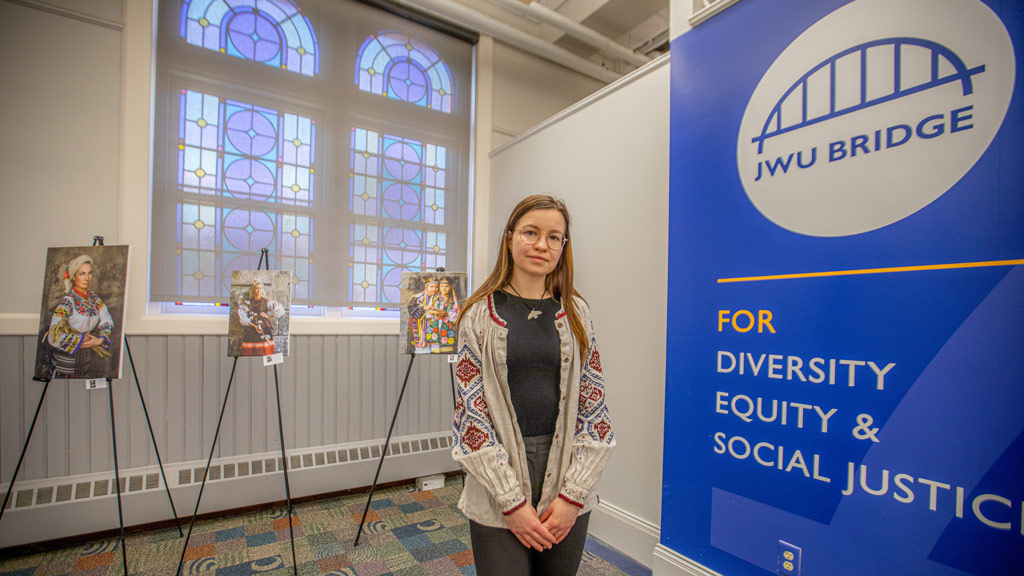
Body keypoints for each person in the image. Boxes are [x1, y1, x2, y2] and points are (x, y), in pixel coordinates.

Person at [451, 195, 614, 576]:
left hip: (566, 474)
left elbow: (596, 414)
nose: (542, 244)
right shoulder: (477, 316)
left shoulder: (576, 312)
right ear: (509, 238)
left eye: (554, 237)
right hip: (498, 475)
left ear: (563, 247)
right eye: (531, 232)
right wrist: (512, 503)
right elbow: (471, 422)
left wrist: (573, 496)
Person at [44, 255, 114, 378]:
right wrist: (81, 339)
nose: (87, 278)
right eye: (82, 274)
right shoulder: (67, 302)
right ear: (73, 276)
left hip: (86, 365)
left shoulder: (95, 300)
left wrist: (100, 340)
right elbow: (53, 336)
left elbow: (107, 319)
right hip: (65, 367)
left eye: (89, 273)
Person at [238, 280, 285, 356]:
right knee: (251, 350)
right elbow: (242, 317)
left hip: (264, 328)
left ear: (263, 289)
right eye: (257, 288)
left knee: (265, 350)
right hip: (251, 329)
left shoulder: (267, 302)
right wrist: (254, 326)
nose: (258, 290)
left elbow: (280, 310)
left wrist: (269, 316)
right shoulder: (248, 303)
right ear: (253, 289)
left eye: (260, 288)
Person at [407, 277, 439, 353]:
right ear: (426, 287)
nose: (434, 289)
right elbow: (411, 310)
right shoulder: (418, 297)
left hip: (432, 324)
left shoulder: (438, 298)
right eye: (431, 287)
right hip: (419, 325)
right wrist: (424, 308)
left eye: (436, 287)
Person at [428, 277, 460, 354]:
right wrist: (434, 312)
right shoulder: (434, 298)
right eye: (442, 286)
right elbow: (428, 312)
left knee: (447, 350)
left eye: (446, 286)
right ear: (439, 287)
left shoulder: (452, 300)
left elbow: (457, 314)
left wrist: (446, 314)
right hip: (435, 328)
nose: (444, 289)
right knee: (434, 350)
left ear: (451, 287)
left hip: (447, 329)